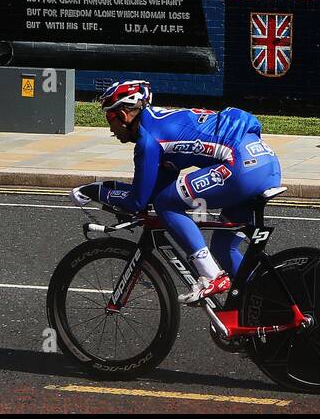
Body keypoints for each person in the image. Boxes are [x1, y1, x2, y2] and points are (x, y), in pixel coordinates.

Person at [74, 80, 282, 304]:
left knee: (167, 203)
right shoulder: (160, 124)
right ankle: (264, 304)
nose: (110, 128)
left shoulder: (148, 140)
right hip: (266, 165)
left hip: (241, 167)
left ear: (123, 115)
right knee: (223, 248)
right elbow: (149, 191)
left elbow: (138, 200)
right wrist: (112, 191)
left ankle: (211, 275)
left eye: (109, 118)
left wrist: (94, 191)